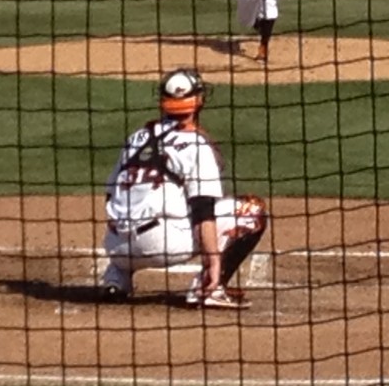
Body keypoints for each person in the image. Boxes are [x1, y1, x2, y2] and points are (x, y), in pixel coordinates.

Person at [99, 67, 269, 309]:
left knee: (137, 206)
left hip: (116, 246)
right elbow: (203, 210)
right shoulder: (195, 144)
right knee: (252, 211)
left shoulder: (137, 136)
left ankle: (116, 278)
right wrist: (213, 260)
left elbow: (110, 194)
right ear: (198, 100)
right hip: (161, 246)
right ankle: (209, 287)